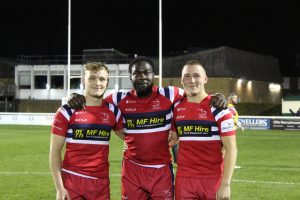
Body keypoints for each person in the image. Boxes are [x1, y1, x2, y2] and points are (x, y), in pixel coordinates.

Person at [68, 56, 227, 199]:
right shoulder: (119, 98)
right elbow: (96, 103)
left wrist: (217, 96)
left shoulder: (170, 94)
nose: (142, 76)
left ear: (154, 75)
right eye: (137, 73)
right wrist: (75, 96)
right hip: (132, 170)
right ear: (130, 76)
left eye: (147, 72)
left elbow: (196, 94)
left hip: (161, 170)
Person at [49, 62, 124, 200]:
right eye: (92, 78)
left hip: (101, 185)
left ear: (108, 82)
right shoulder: (66, 112)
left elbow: (132, 137)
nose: (97, 83)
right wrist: (60, 188)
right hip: (72, 182)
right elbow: (54, 153)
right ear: (83, 80)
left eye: (102, 79)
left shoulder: (113, 111)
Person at [169, 60, 237, 200]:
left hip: (212, 180)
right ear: (182, 80)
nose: (192, 80)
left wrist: (225, 184)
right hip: (184, 180)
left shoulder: (219, 109)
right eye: (187, 76)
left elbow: (232, 149)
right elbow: (173, 138)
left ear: (205, 79)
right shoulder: (176, 108)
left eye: (196, 75)